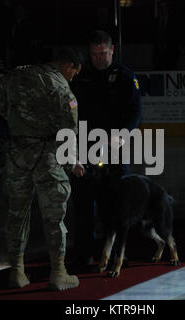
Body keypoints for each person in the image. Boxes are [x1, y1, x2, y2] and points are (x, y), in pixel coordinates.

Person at [0, 47, 85, 290]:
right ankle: (58, 273)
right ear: (68, 65)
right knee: (54, 217)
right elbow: (69, 130)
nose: (72, 78)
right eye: (74, 73)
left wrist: (21, 124)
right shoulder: (62, 87)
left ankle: (18, 273)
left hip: (17, 154)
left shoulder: (14, 75)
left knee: (16, 215)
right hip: (47, 156)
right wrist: (72, 160)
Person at [70, 30, 142, 267]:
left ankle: (117, 251)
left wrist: (123, 135)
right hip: (86, 147)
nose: (98, 59)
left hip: (114, 147)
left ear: (112, 50)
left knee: (116, 203)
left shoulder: (124, 76)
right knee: (82, 203)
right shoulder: (81, 76)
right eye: (93, 54)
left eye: (102, 53)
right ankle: (84, 252)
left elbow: (135, 112)